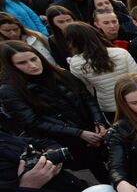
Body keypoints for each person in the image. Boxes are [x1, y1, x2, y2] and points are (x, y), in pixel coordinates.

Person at [0, 41, 107, 178]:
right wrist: (79, 133)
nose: (32, 65)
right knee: (94, 170)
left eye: (33, 59)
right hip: (64, 140)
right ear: (11, 66)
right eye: (22, 63)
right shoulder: (10, 91)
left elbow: (87, 98)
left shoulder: (60, 73)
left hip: (90, 129)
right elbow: (33, 123)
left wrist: (98, 122)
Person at [65, 22, 137, 120]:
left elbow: (86, 89)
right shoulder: (121, 53)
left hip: (108, 106)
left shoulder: (76, 63)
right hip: (134, 101)